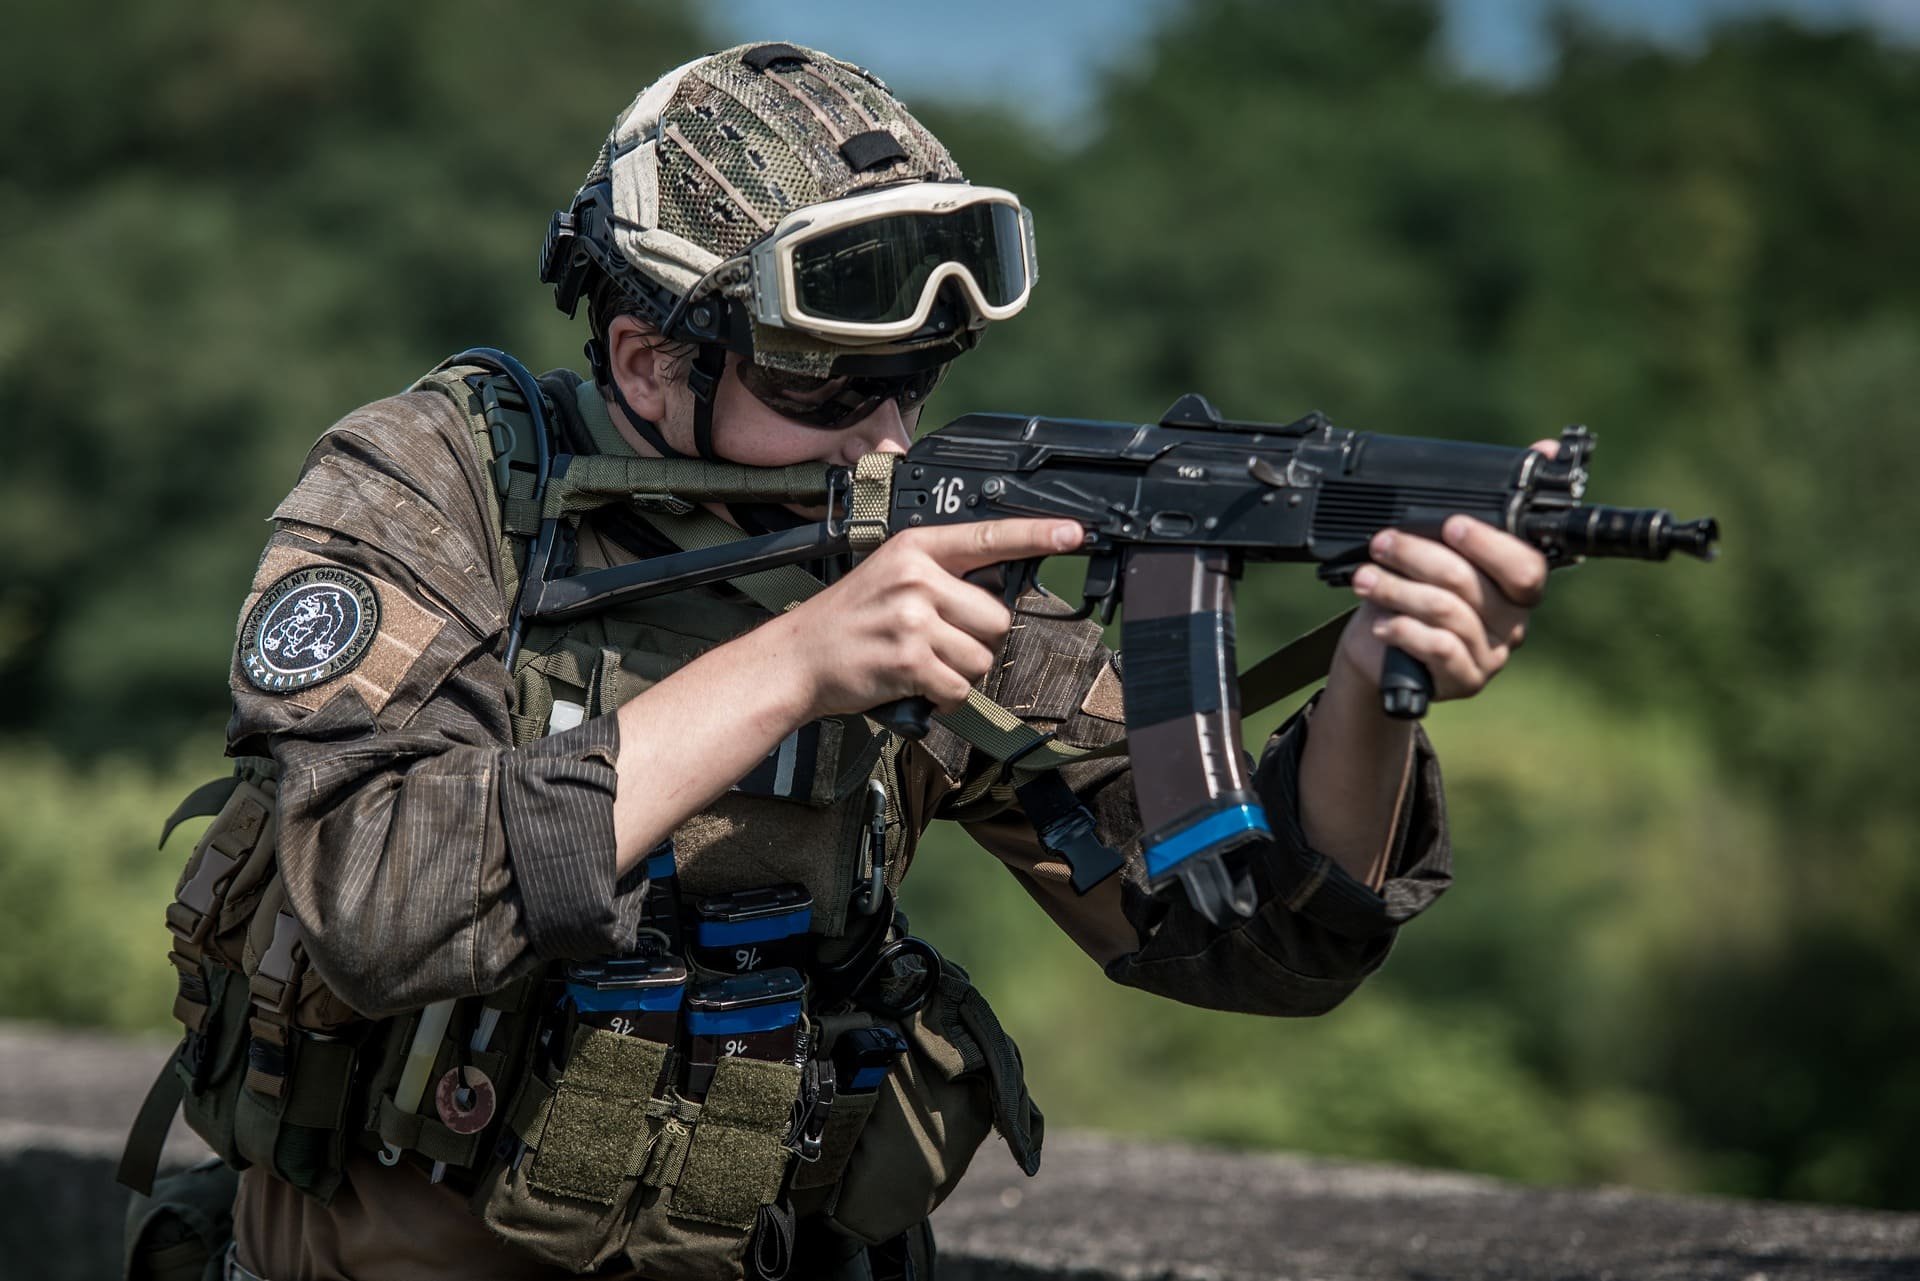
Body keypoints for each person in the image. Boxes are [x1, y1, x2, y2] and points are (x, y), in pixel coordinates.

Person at [127, 41, 1549, 1281]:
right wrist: (796, 664)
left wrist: (1372, 684)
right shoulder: (439, 488)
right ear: (644, 359)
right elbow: (376, 896)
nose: (882, 432)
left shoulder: (905, 553)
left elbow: (1257, 942)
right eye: (824, 380)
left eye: (914, 378)